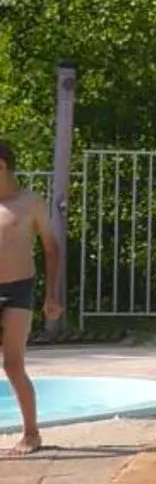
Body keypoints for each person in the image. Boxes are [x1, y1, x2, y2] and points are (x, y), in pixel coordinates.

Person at [0, 139, 64, 457]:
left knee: (13, 363)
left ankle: (31, 432)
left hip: (17, 289)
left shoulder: (29, 203)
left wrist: (52, 295)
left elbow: (51, 249)